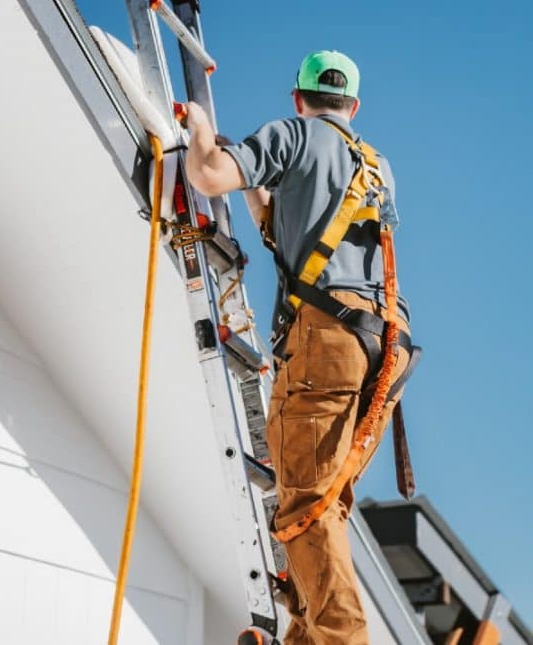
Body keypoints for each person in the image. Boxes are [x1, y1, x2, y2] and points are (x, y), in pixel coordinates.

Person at [184, 50, 414, 645]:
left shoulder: (292, 135)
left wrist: (200, 131)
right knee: (325, 508)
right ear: (353, 108)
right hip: (387, 349)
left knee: (303, 508)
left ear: (297, 98)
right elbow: (300, 238)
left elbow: (208, 176)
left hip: (329, 342)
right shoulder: (376, 165)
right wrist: (260, 193)